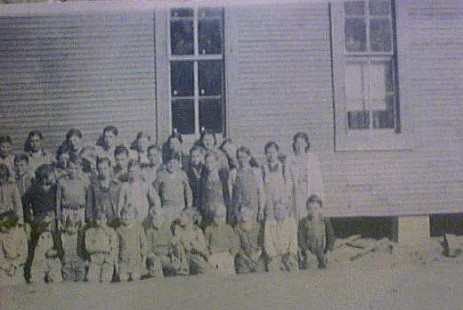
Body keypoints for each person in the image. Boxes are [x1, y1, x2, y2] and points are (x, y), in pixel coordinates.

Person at [287, 132, 325, 219]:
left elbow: (318, 179)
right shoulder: (290, 160)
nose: (299, 146)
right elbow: (288, 180)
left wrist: (318, 195)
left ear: (306, 144)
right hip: (297, 191)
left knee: (311, 212)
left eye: (302, 143)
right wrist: (288, 196)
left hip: (310, 188)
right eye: (297, 143)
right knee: (298, 214)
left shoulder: (313, 158)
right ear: (294, 144)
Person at [229, 147, 265, 225]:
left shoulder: (255, 172)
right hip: (239, 207)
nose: (242, 160)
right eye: (239, 157)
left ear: (249, 157)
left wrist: (261, 209)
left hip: (253, 206)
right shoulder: (233, 173)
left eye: (244, 157)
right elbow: (230, 195)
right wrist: (232, 210)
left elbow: (261, 192)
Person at [298, 195, 335, 269]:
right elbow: (301, 238)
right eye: (310, 208)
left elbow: (331, 237)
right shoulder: (303, 221)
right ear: (307, 209)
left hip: (323, 251)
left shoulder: (325, 221)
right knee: (310, 268)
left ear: (320, 209)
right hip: (308, 252)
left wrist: (329, 251)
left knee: (329, 268)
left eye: (316, 208)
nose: (313, 211)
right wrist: (307, 252)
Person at [154, 154, 192, 224]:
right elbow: (155, 193)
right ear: (165, 163)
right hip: (166, 207)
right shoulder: (161, 175)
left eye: (174, 162)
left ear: (178, 163)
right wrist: (158, 207)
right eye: (169, 163)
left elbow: (188, 191)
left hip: (180, 207)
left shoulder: (182, 174)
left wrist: (188, 206)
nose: (171, 165)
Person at [170, 209, 211, 275]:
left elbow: (203, 248)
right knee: (179, 246)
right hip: (181, 258)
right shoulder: (177, 228)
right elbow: (173, 243)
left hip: (194, 256)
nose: (179, 217)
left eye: (182, 216)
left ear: (189, 219)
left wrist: (193, 244)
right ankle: (183, 269)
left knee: (205, 271)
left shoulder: (197, 230)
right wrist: (176, 235)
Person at [116, 205, 148, 282]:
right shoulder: (119, 230)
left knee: (135, 277)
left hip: (136, 260)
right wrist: (117, 266)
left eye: (129, 215)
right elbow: (116, 247)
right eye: (124, 215)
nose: (126, 217)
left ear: (134, 216)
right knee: (123, 278)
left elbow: (144, 245)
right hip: (124, 261)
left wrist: (143, 261)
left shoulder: (139, 228)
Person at [56, 154, 91, 225]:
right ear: (67, 168)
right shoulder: (61, 180)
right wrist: (58, 218)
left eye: (76, 168)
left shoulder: (85, 180)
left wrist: (88, 216)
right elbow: (58, 200)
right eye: (71, 168)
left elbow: (89, 198)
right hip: (67, 211)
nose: (73, 171)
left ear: (80, 168)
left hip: (81, 211)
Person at [86, 157, 122, 226]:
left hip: (114, 218)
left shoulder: (117, 184)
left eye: (105, 168)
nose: (102, 171)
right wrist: (89, 218)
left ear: (110, 168)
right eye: (100, 169)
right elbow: (89, 203)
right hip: (98, 219)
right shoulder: (93, 186)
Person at [261, 142, 291, 222]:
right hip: (269, 202)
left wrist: (285, 200)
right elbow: (262, 188)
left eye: (273, 152)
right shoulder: (263, 168)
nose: (271, 155)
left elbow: (288, 185)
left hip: (282, 201)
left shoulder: (284, 167)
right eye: (268, 153)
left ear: (277, 152)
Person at [85, 211, 118, 283]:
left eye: (103, 219)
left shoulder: (111, 231)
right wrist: (102, 248)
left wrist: (109, 259)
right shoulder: (90, 232)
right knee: (92, 280)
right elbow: (88, 247)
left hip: (107, 260)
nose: (101, 221)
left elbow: (114, 247)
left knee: (105, 279)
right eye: (98, 219)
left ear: (106, 219)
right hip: (95, 260)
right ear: (95, 220)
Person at [263, 204, 298, 272]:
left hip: (288, 255)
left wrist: (290, 254)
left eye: (282, 210)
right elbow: (267, 242)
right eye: (277, 209)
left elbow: (294, 241)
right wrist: (273, 256)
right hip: (274, 256)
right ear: (274, 211)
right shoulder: (269, 223)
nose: (279, 212)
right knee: (273, 268)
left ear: (286, 211)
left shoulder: (291, 222)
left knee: (293, 267)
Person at [144, 208, 178, 278]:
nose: (157, 222)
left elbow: (170, 245)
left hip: (165, 255)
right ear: (151, 220)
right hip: (155, 256)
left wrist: (172, 254)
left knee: (173, 264)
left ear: (163, 220)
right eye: (155, 219)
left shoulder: (167, 230)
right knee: (156, 263)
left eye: (159, 219)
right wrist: (153, 256)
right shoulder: (150, 232)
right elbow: (148, 248)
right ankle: (158, 278)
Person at [29, 213, 62, 284]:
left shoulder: (54, 235)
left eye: (50, 224)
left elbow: (60, 250)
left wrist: (55, 252)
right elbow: (31, 253)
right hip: (39, 261)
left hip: (52, 261)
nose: (48, 227)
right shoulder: (36, 237)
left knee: (56, 279)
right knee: (36, 279)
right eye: (46, 225)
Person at [204, 207, 238, 275]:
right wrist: (209, 257)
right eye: (217, 216)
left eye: (221, 216)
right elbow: (205, 246)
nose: (219, 219)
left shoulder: (228, 228)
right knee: (216, 272)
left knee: (229, 273)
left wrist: (232, 256)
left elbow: (234, 244)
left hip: (226, 254)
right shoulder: (209, 229)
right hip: (214, 255)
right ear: (213, 217)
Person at [0, 211, 28, 286]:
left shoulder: (21, 234)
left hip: (18, 267)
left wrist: (15, 265)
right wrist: (6, 266)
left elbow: (24, 254)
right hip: (4, 269)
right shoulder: (1, 236)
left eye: (3, 225)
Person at [234, 207, 265, 274]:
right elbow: (237, 247)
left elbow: (262, 244)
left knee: (260, 273)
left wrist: (256, 255)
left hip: (257, 256)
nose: (243, 215)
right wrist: (247, 259)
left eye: (245, 213)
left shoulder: (258, 227)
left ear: (251, 214)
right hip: (243, 257)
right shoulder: (237, 228)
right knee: (243, 272)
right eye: (241, 213)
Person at [201, 151, 229, 227]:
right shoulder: (203, 177)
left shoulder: (222, 176)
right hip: (207, 209)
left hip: (220, 209)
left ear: (216, 162)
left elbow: (227, 195)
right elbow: (202, 195)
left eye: (211, 162)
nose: (209, 165)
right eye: (207, 162)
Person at [59, 213, 86, 282]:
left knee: (80, 276)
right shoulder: (63, 236)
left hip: (78, 259)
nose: (72, 229)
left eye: (75, 227)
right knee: (68, 278)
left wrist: (85, 259)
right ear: (66, 226)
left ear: (79, 227)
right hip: (67, 260)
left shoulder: (80, 236)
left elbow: (84, 248)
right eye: (70, 226)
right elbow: (61, 248)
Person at [186, 145, 205, 213]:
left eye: (197, 156)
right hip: (193, 203)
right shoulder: (187, 172)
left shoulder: (206, 169)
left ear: (202, 157)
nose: (195, 159)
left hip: (204, 203)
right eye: (193, 156)